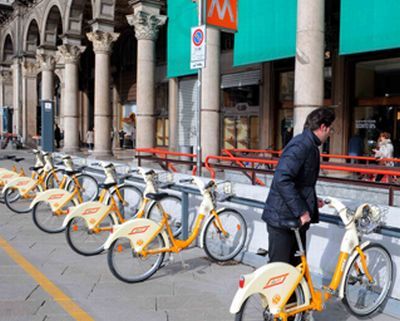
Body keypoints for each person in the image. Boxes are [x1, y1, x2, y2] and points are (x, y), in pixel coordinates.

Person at [262, 107, 336, 266]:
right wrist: (302, 211)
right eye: (331, 129)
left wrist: (312, 200)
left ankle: (295, 292)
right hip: (282, 219)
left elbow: (300, 183)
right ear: (323, 127)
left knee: (296, 270)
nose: (330, 133)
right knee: (280, 272)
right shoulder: (302, 145)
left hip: (292, 219)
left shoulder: (309, 145)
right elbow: (282, 179)